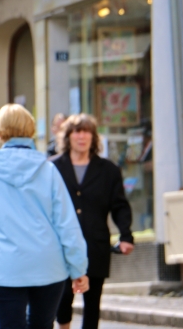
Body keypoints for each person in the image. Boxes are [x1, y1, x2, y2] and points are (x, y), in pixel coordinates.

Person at [0, 104, 89, 329]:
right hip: (48, 267)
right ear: (31, 129)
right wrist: (78, 268)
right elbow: (66, 224)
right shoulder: (48, 170)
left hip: (4, 269)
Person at [53, 113, 134, 329]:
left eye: (87, 132)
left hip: (95, 244)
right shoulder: (52, 168)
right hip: (60, 245)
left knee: (92, 303)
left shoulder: (108, 170)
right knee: (62, 300)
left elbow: (119, 205)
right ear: (68, 136)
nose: (82, 136)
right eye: (77, 132)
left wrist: (125, 235)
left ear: (94, 137)